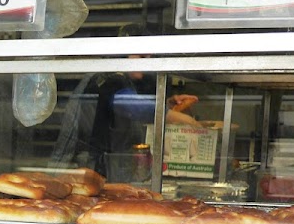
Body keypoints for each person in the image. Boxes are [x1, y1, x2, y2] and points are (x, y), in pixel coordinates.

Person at [51, 25, 199, 175]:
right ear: (124, 52)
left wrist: (167, 104)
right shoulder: (109, 78)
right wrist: (180, 118)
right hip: (91, 167)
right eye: (142, 57)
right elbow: (133, 106)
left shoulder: (119, 78)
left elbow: (125, 107)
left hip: (107, 165)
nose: (147, 64)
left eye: (149, 58)